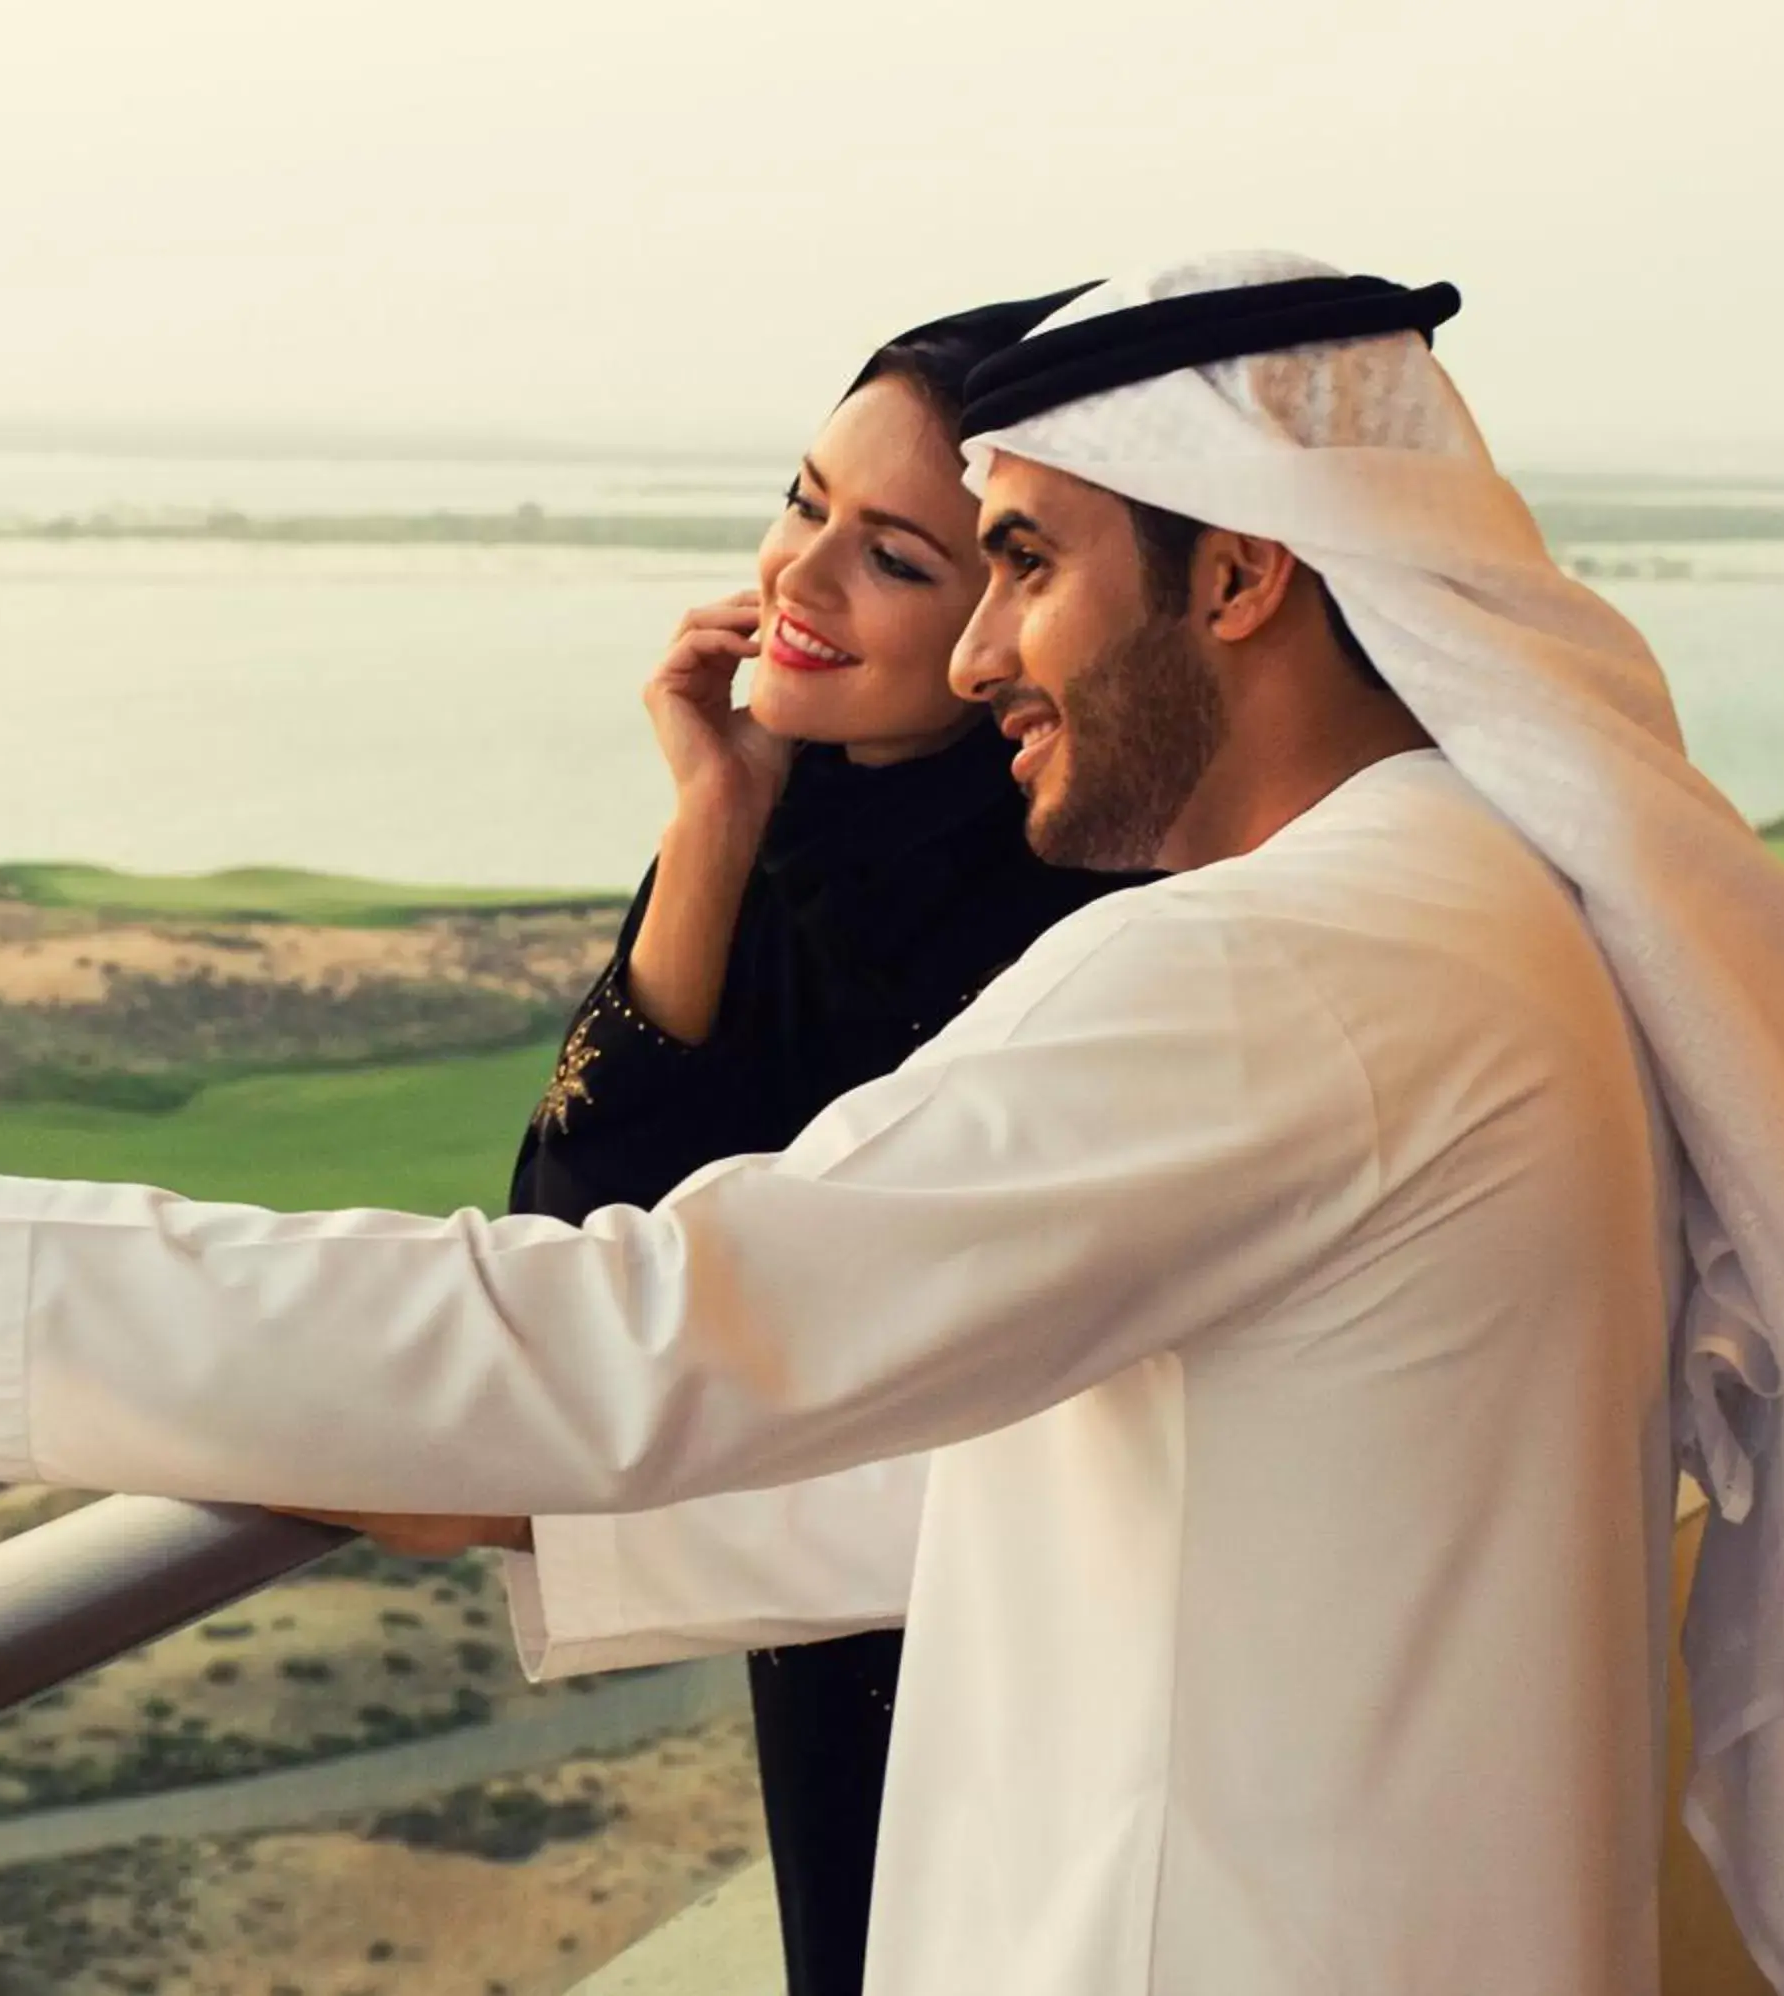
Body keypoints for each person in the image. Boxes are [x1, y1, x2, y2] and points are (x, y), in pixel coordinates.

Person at [0, 253, 1784, 1994]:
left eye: (1022, 562)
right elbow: (1121, 1463)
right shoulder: (1475, 914)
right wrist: (539, 1518)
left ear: (1241, 575)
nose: (978, 656)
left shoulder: (1282, 970)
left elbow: (655, 1321)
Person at [502, 287, 1135, 1996]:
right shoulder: (786, 813)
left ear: (1020, 598)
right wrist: (712, 820)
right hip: (827, 1649)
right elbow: (573, 1229)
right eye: (803, 506)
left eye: (896, 558)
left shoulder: (1100, 885)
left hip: (1042, 1657)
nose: (796, 580)